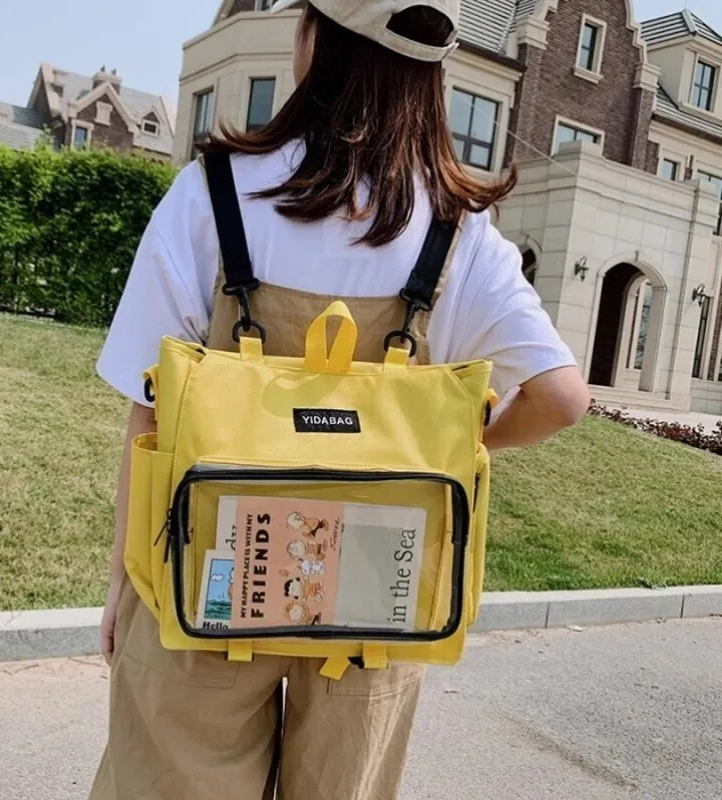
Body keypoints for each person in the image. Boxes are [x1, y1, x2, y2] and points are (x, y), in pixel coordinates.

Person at [90, 1, 591, 798]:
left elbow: (147, 411)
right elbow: (562, 397)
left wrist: (123, 578)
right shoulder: (459, 230)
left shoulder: (212, 192)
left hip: (213, 561)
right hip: (374, 583)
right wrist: (443, 443)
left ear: (315, 42)